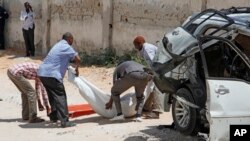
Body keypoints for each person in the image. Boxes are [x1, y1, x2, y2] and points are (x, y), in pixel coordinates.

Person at [38, 32, 81, 128]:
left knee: (52, 95)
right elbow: (78, 59)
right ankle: (65, 121)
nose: (72, 42)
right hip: (52, 75)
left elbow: (66, 60)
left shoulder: (58, 45)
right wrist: (77, 68)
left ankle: (54, 116)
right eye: (72, 40)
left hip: (42, 73)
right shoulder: (66, 46)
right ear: (69, 39)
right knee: (61, 95)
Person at [133, 35, 163, 119]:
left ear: (140, 44)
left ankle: (157, 111)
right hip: (156, 69)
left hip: (158, 70)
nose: (135, 47)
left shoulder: (147, 49)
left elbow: (154, 61)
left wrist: (151, 72)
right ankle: (147, 107)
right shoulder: (144, 49)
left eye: (135, 45)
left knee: (155, 88)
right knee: (150, 88)